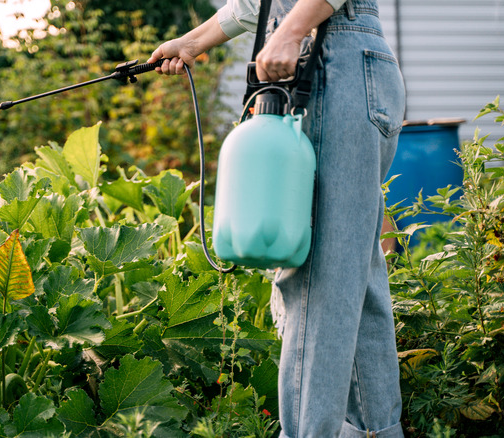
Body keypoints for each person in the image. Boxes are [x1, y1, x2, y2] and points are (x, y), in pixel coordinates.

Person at [147, 0, 406, 436]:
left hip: (332, 58)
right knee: (353, 278)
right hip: (340, 59)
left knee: (317, 276)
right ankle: (377, 431)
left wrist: (292, 29)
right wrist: (191, 43)